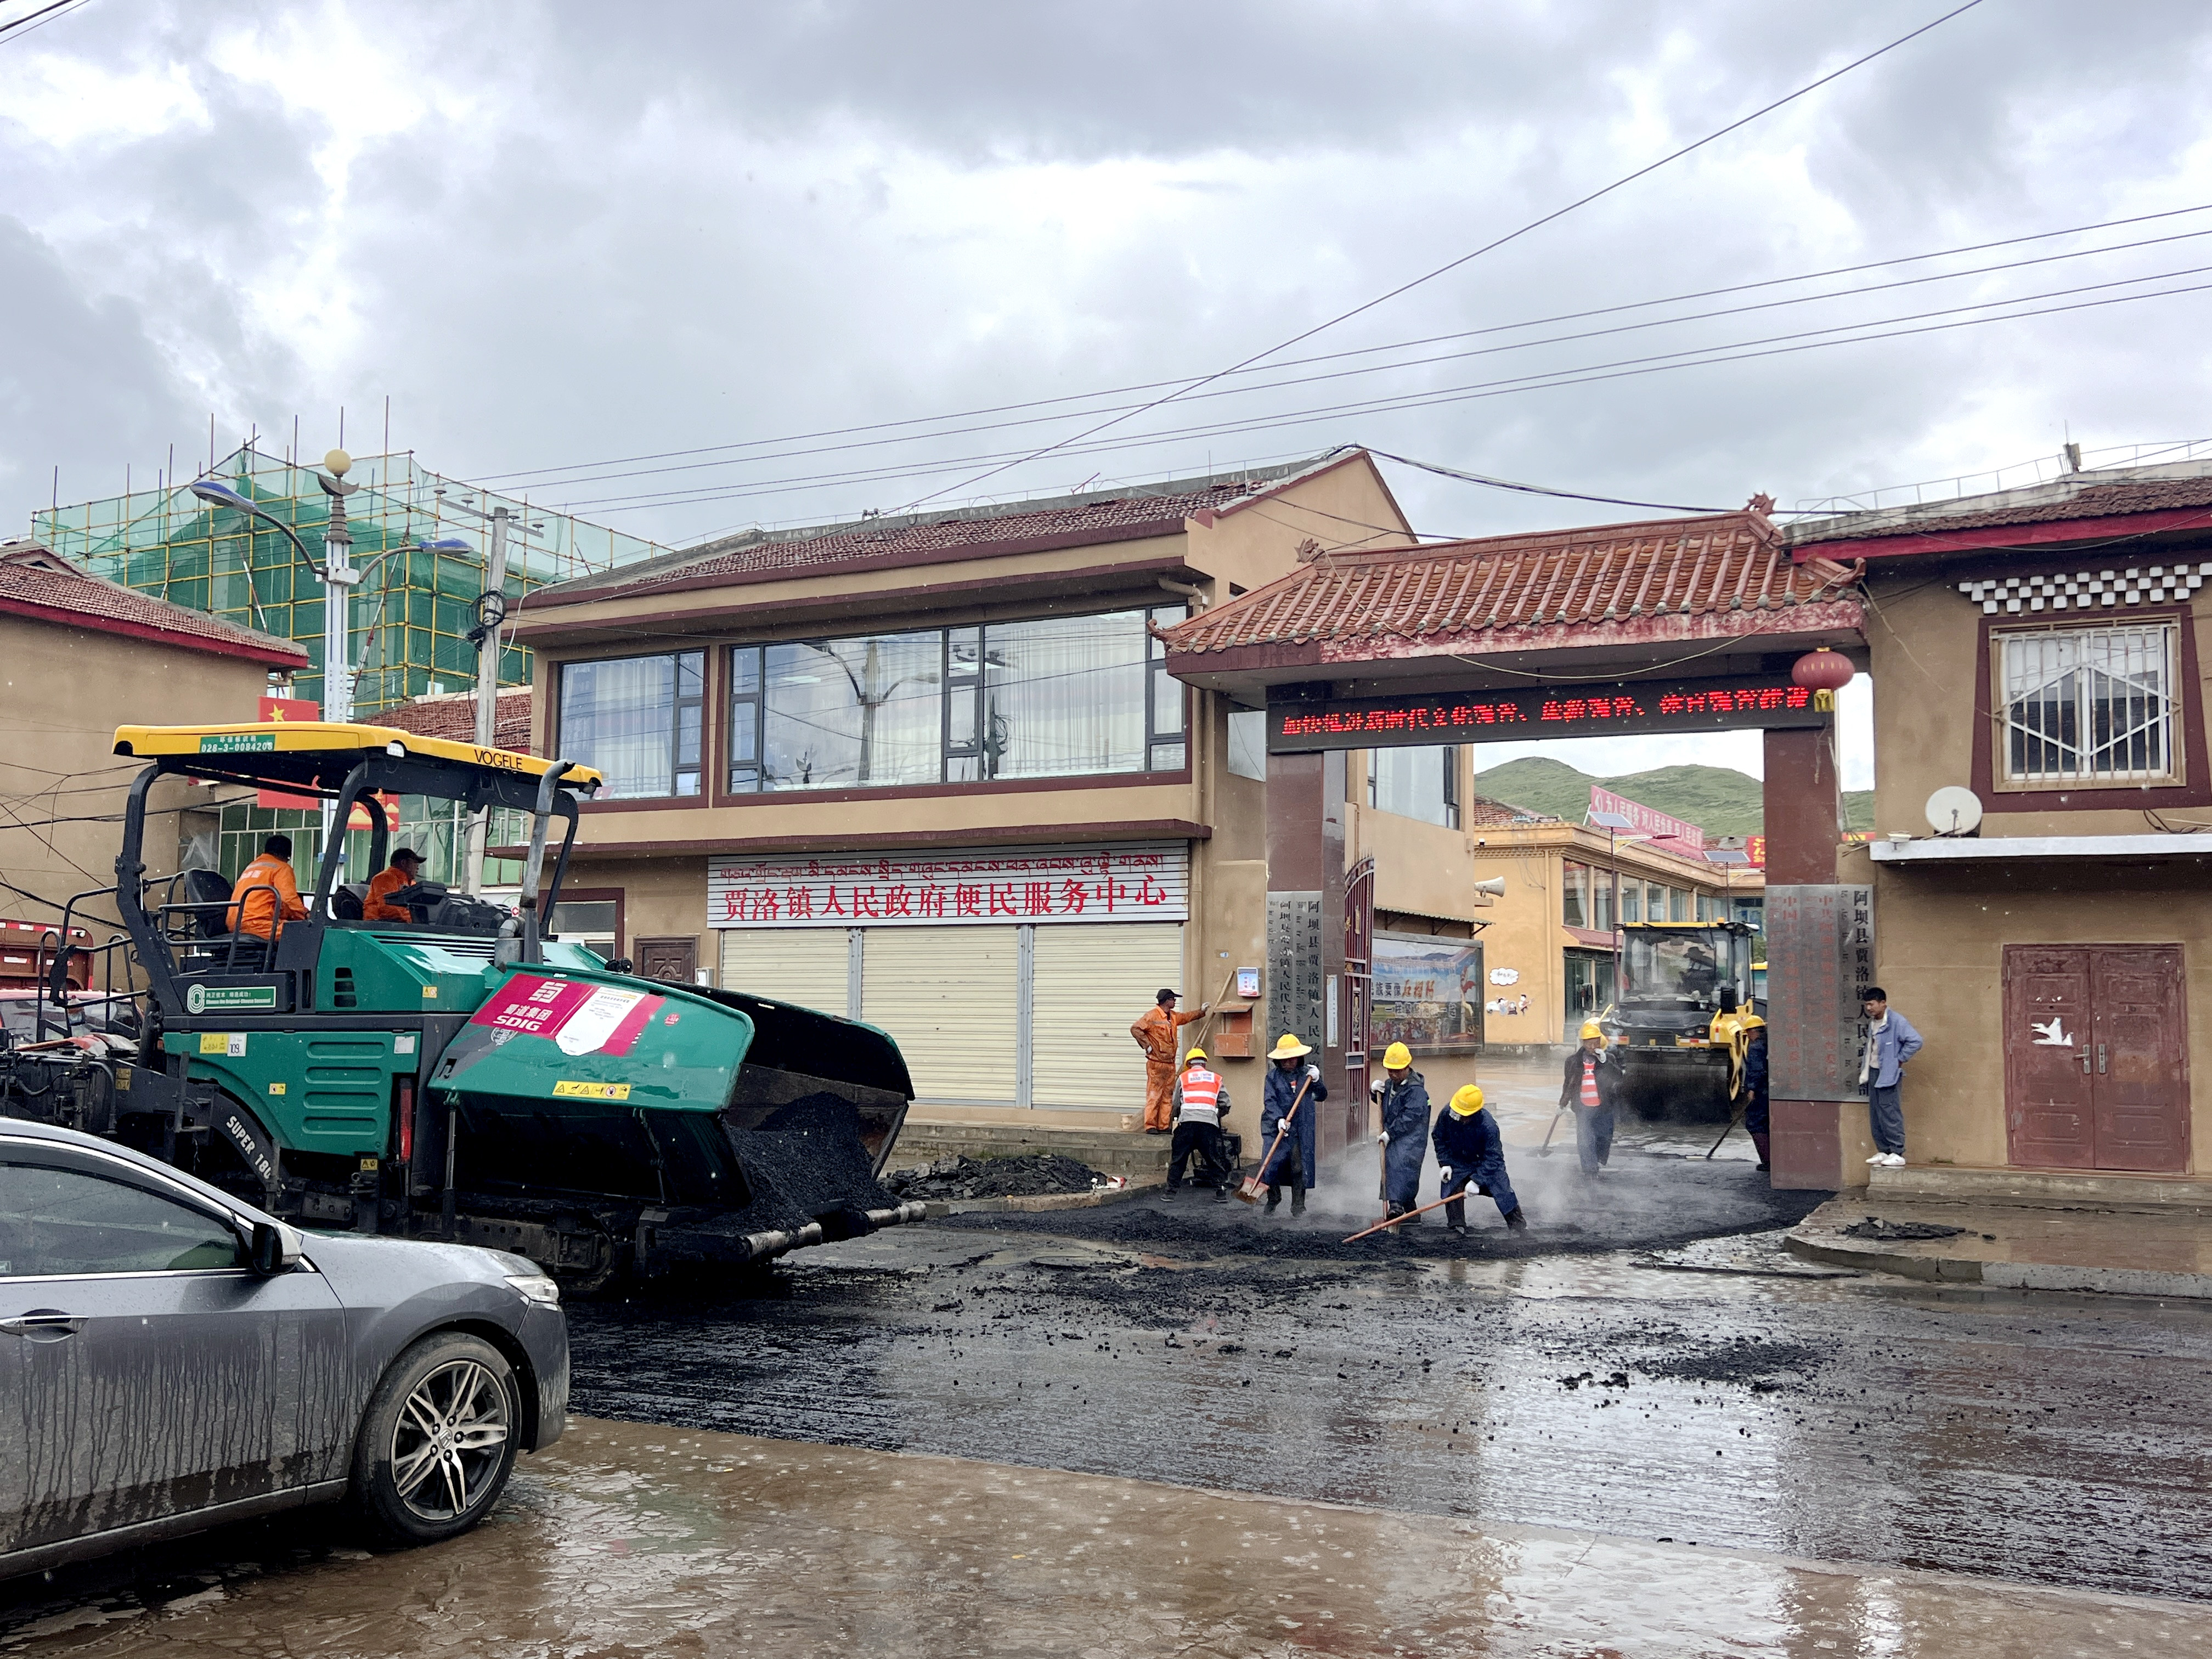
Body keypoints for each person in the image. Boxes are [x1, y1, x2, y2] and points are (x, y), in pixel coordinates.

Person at [1431, 1085, 1527, 1235]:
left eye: (1463, 1114)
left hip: (1485, 1163)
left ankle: (1518, 1227)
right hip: (1459, 1162)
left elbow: (1494, 1159)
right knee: (1452, 1185)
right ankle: (1456, 1227)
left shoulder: (1488, 1127)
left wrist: (1477, 1180)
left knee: (1502, 1190)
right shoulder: (1447, 1114)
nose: (1459, 1116)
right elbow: (1439, 1137)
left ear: (1474, 1113)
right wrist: (1445, 1164)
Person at [1257, 1032, 1324, 1216]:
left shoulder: (1307, 1076)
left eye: (1291, 1059)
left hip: (1299, 1129)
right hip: (1275, 1126)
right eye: (1284, 1060)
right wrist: (1278, 1118)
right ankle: (1274, 1197)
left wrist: (1317, 1081)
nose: (1288, 1063)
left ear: (1298, 1058)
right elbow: (1270, 1101)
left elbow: (1322, 1095)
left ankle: (1298, 1207)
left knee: (1298, 1167)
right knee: (1270, 1165)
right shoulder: (1272, 1078)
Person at [1859, 986, 1922, 1168]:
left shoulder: (1896, 1021)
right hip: (1873, 1071)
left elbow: (1916, 1041)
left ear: (1883, 1003)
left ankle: (1897, 1152)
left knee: (1890, 1112)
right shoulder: (1874, 1022)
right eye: (1867, 1005)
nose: (1869, 1008)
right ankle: (1884, 1151)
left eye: (1872, 1004)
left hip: (1889, 1073)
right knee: (1876, 1112)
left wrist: (1899, 1060)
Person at [1129, 988, 1206, 1134]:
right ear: (1167, 1000)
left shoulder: (1173, 1017)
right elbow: (1136, 1029)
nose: (1175, 1001)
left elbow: (1186, 1017)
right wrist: (1148, 1046)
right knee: (1154, 1094)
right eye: (1173, 999)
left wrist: (1201, 1012)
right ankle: (1151, 1125)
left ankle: (1164, 1125)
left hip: (1169, 1064)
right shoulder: (1152, 1016)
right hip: (1156, 1063)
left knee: (1168, 1095)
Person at [1371, 1041, 1430, 1222]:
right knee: (1396, 1169)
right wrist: (1375, 1094)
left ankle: (1395, 1206)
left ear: (1407, 1067)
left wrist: (1390, 1132)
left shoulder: (1417, 1091)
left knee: (1400, 1167)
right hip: (1396, 1135)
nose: (1394, 1074)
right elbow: (1388, 1107)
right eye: (1390, 1070)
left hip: (1412, 1138)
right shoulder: (1390, 1085)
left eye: (1398, 1070)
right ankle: (1412, 1214)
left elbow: (1410, 1118)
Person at [1163, 1047, 1232, 1200]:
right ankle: (1220, 1191)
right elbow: (1226, 1103)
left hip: (1187, 1125)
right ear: (1204, 1064)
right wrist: (1217, 1115)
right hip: (1208, 1126)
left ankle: (1170, 1193)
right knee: (1213, 1158)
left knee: (1179, 1159)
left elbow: (1175, 1105)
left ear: (1189, 1064)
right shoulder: (1216, 1079)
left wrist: (1173, 1120)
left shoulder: (1183, 1078)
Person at [1558, 1020, 1620, 1176]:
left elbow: (1618, 1077)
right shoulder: (1573, 1061)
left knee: (1604, 1137)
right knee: (1585, 1139)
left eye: (1595, 1043)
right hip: (1582, 1106)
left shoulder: (1608, 1058)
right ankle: (1590, 1171)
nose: (1593, 1047)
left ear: (1600, 1041)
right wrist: (1562, 1104)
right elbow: (1569, 1083)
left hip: (1604, 1106)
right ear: (1583, 1043)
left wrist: (1605, 1063)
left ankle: (1597, 1161)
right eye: (1589, 1043)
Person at [225, 833, 308, 941]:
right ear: (287, 855)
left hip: (234, 924)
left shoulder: (252, 867)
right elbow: (289, 899)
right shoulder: (281, 868)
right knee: (304, 932)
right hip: (257, 924)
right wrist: (306, 916)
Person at [1740, 1014, 1772, 1171]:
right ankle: (1772, 1160)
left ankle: (1768, 1162)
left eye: (1748, 1033)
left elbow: (1756, 1070)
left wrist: (1751, 1089)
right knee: (1766, 1124)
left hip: (1760, 1091)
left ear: (1753, 1032)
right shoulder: (1767, 1043)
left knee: (1755, 1124)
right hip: (1769, 1090)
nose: (1747, 1036)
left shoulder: (1755, 1047)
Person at [362, 846, 426, 923]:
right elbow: (387, 910)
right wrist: (416, 918)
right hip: (379, 925)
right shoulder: (385, 878)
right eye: (415, 863)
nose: (418, 868)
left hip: (399, 925)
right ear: (403, 863)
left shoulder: (412, 884)